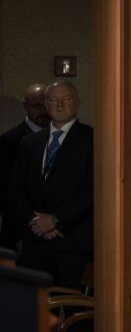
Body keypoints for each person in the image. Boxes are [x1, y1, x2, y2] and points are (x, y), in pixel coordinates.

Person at [7, 81, 93, 292]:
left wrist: (55, 220)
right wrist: (34, 221)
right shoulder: (29, 143)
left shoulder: (94, 139)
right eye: (54, 100)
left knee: (76, 317)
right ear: (46, 104)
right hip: (35, 243)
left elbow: (93, 191)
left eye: (67, 99)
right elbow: (15, 190)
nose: (60, 105)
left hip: (72, 245)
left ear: (78, 102)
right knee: (36, 316)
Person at [0, 83, 50, 250]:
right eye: (37, 106)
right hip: (21, 232)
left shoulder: (59, 137)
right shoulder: (10, 141)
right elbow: (5, 192)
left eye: (46, 105)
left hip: (54, 230)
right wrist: (20, 235)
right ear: (25, 106)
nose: (43, 111)